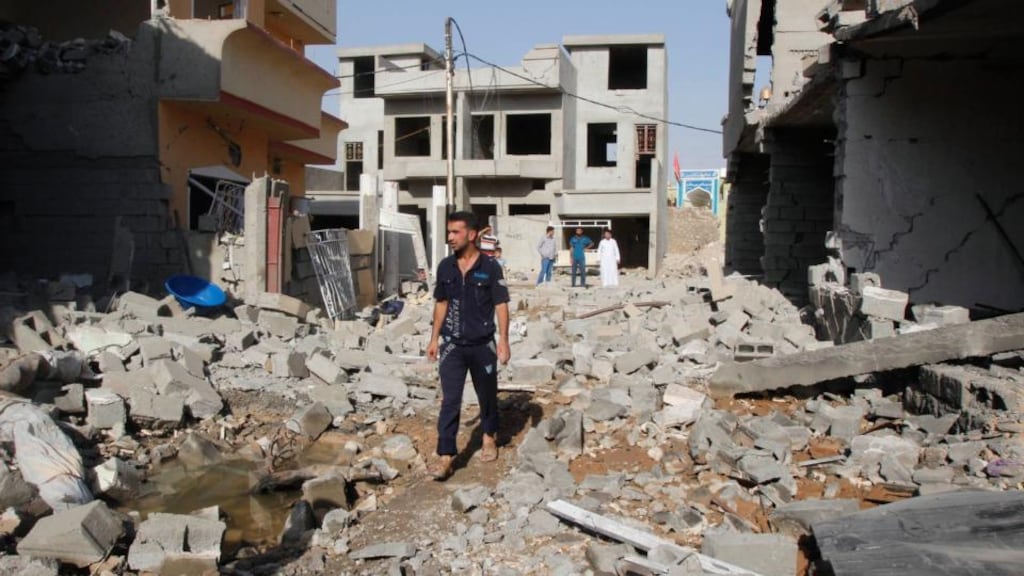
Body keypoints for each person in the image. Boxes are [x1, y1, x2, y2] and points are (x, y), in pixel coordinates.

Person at [426, 211, 511, 481]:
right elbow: (441, 303)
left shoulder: (490, 267)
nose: (450, 237)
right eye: (449, 232)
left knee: (487, 395)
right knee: (450, 400)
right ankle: (446, 455)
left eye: (455, 232)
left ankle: (488, 436)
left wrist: (504, 341)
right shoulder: (445, 267)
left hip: (483, 345)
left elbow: (501, 304)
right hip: (452, 346)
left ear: (472, 235)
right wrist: (433, 338)